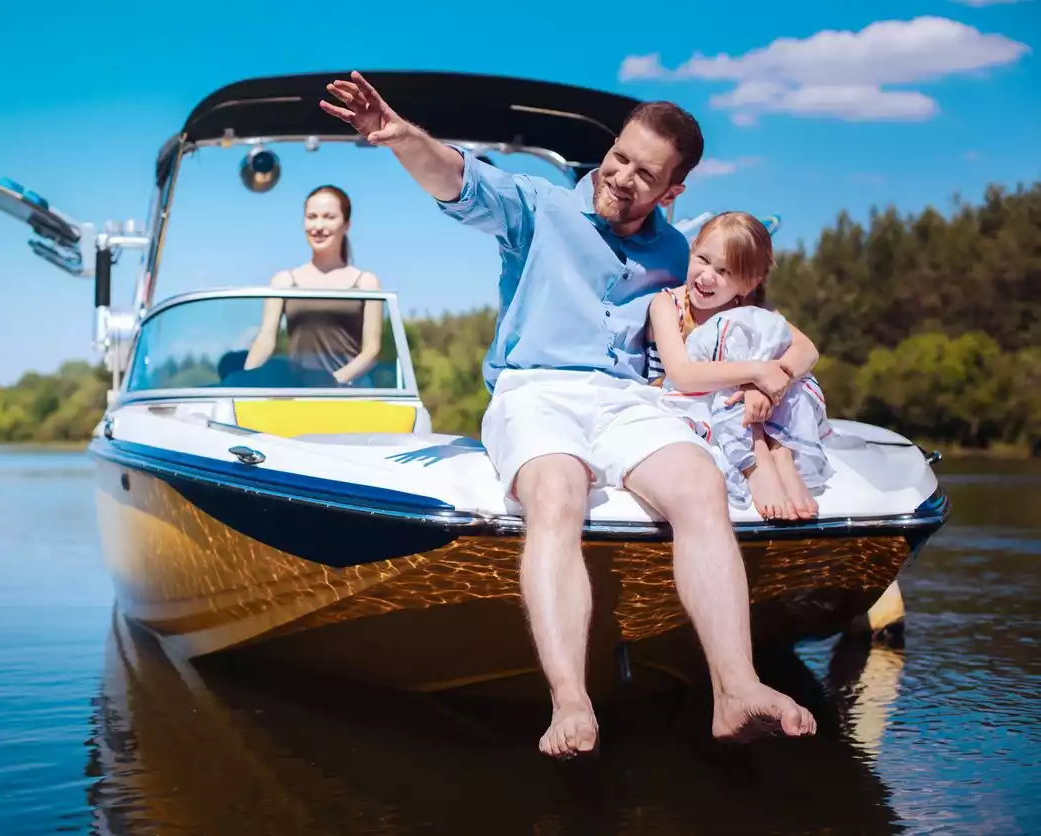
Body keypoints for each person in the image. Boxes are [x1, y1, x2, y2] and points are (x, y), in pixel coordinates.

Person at [321, 71, 817, 758]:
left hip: (626, 400)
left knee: (699, 485)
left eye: (644, 175)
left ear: (672, 192)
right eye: (619, 157)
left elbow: (758, 331)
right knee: (558, 489)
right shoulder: (537, 207)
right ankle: (571, 701)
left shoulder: (677, 254)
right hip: (535, 389)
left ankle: (735, 689)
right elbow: (461, 181)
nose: (621, 178)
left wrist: (773, 390)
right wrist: (401, 135)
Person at [646, 211, 833, 520]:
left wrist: (772, 384)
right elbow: (682, 376)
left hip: (749, 405)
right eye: (703, 260)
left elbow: (807, 349)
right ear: (692, 250)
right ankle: (756, 461)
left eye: (724, 271)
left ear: (749, 283)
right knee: (740, 352)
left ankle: (780, 452)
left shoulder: (750, 309)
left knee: (780, 354)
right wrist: (757, 374)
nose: (707, 277)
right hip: (689, 399)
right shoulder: (668, 304)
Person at [243, 185, 384, 386]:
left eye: (329, 217)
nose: (318, 226)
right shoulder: (284, 281)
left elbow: (372, 350)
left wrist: (332, 382)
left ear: (346, 225)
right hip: (298, 393)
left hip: (352, 394)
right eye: (312, 216)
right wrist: (245, 382)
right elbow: (265, 339)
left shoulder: (366, 282)